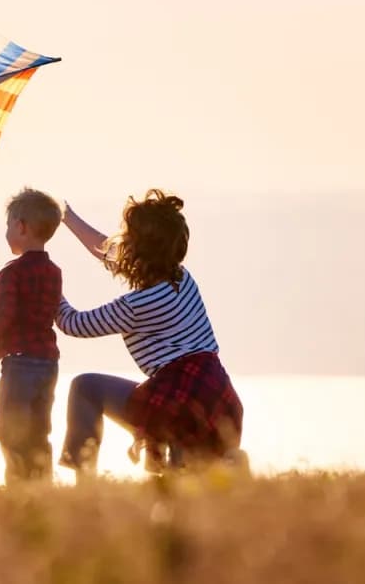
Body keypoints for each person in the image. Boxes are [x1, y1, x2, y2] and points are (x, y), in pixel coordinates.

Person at [54, 189, 245, 481]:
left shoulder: (135, 306)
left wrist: (48, 284)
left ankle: (85, 481)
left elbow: (74, 324)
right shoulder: (182, 277)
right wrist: (68, 217)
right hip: (218, 396)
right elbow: (109, 253)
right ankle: (221, 465)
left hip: (176, 400)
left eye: (126, 236)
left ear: (137, 249)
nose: (120, 241)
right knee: (185, 477)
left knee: (85, 387)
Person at [0, 188, 64, 485]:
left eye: (9, 225)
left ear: (21, 227)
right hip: (48, 362)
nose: (7, 232)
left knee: (10, 431)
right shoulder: (54, 272)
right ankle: (42, 483)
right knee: (39, 430)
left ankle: (17, 486)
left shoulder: (12, 273)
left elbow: (4, 315)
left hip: (19, 363)